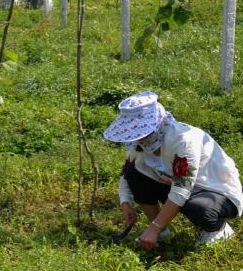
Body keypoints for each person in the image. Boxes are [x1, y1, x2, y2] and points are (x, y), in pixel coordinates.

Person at [104, 91, 242, 250]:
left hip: (215, 191)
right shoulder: (141, 141)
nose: (137, 138)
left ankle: (218, 229)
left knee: (201, 210)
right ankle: (162, 231)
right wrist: (125, 202)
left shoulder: (183, 140)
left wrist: (153, 228)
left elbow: (182, 188)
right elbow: (127, 169)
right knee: (134, 174)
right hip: (175, 183)